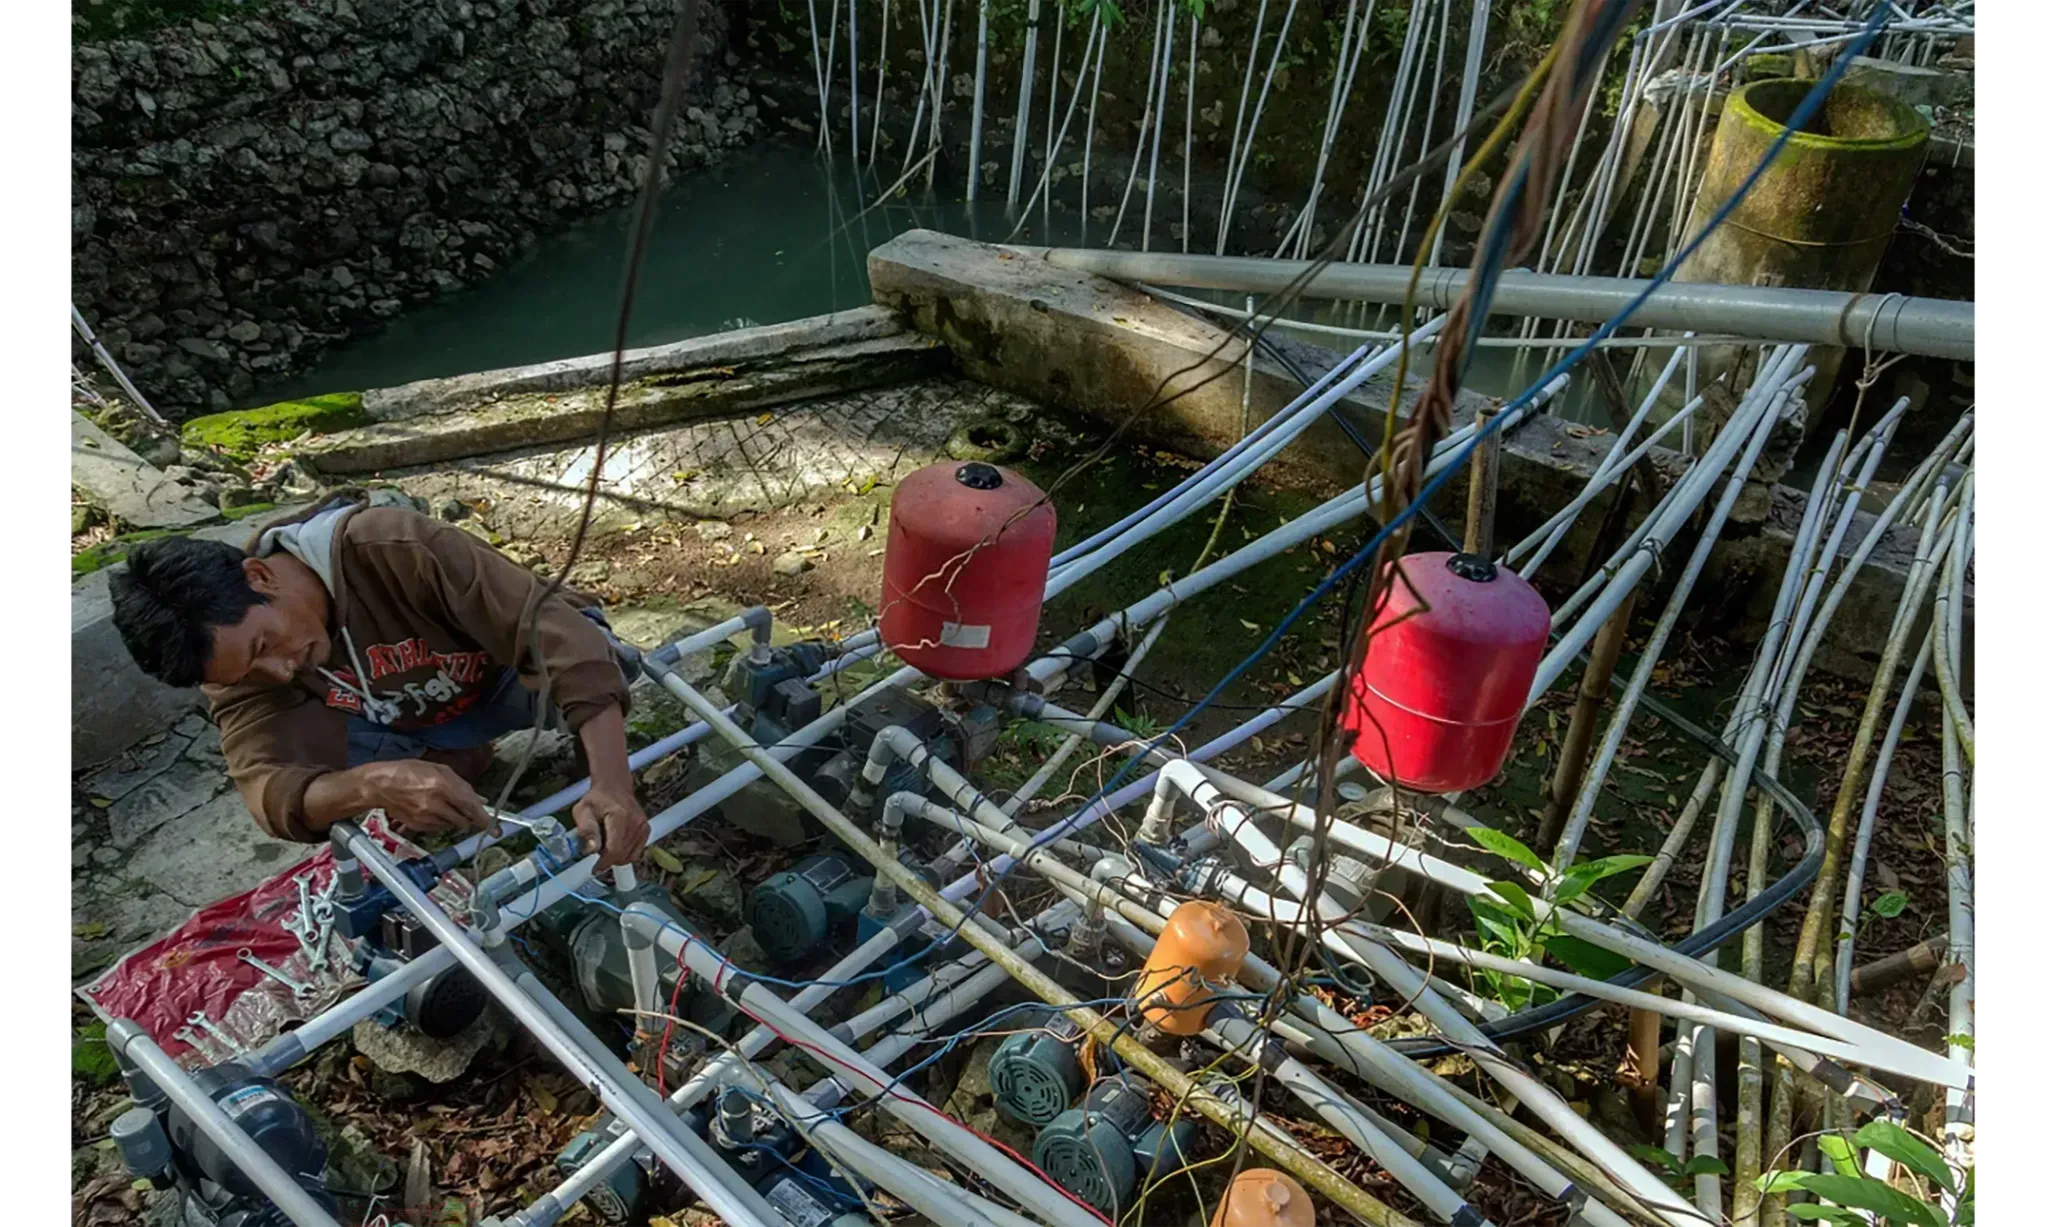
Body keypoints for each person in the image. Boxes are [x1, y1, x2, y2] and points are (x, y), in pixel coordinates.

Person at [109, 491, 650, 870]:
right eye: (248, 671)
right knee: (319, 774)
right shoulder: (236, 659)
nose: (278, 671)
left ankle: (592, 783)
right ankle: (455, 762)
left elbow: (559, 639)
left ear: (260, 576)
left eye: (264, 646)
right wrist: (370, 785)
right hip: (408, 717)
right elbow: (266, 789)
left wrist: (612, 786)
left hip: (502, 681)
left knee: (597, 659)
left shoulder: (390, 546)